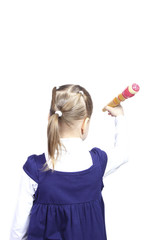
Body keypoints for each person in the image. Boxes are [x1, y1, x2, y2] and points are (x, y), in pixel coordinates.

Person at [10, 84, 129, 240]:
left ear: (49, 118)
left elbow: (19, 230)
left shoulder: (35, 168)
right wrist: (119, 116)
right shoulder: (97, 164)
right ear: (84, 124)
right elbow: (123, 152)